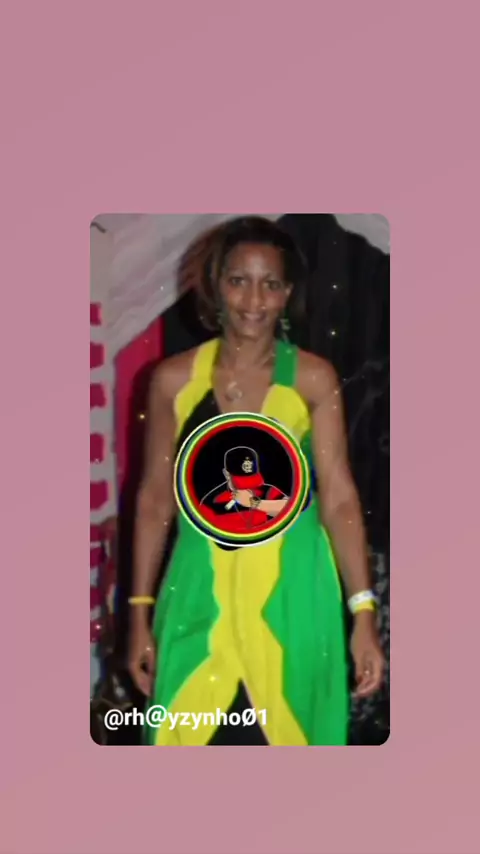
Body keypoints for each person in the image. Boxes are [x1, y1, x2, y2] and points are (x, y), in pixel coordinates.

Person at [128, 216, 385, 746]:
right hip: (198, 594)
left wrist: (363, 612)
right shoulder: (173, 380)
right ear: (215, 285)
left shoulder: (312, 378)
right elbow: (154, 500)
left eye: (271, 284)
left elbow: (339, 498)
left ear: (287, 293)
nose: (254, 300)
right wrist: (138, 614)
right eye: (238, 280)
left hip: (295, 596)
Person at [199, 445, 289, 531]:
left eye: (252, 480)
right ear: (226, 474)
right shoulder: (212, 501)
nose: (249, 487)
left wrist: (255, 503)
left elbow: (290, 509)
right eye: (242, 482)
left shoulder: (266, 490)